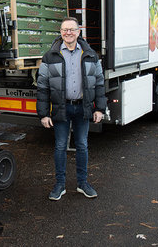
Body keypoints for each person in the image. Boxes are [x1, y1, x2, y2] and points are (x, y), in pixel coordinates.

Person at [36, 17, 107, 201]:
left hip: (82, 108)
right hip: (61, 108)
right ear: (60, 32)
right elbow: (42, 86)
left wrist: (99, 108)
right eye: (65, 29)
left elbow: (99, 82)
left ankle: (82, 183)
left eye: (72, 29)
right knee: (60, 146)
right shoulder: (50, 56)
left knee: (82, 145)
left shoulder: (90, 54)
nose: (68, 33)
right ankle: (60, 185)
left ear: (79, 32)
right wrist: (43, 114)